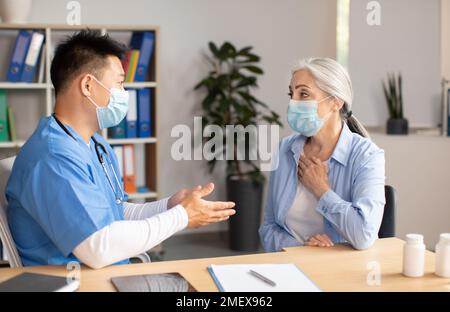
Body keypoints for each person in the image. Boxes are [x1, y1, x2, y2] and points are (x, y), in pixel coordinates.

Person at [6, 29, 235, 269]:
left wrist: (170, 206)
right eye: (119, 83)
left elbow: (116, 212)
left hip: (108, 274)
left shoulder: (96, 144)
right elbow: (98, 248)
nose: (124, 94)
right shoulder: (53, 156)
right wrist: (182, 217)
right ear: (87, 85)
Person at [259, 57, 385, 252]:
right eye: (291, 94)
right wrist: (302, 249)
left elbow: (364, 236)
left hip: (341, 272)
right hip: (290, 267)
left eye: (304, 94)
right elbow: (268, 227)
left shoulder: (367, 156)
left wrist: (321, 190)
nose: (293, 102)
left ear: (335, 101)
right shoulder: (284, 150)